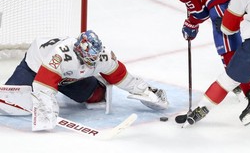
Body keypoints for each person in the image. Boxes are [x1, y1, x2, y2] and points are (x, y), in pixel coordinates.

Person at [153, 0, 250, 122]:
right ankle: (244, 78)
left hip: (221, 4)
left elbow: (200, 12)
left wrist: (190, 25)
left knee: (226, 49)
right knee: (245, 33)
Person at [1, 30, 168, 131]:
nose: (92, 61)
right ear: (78, 49)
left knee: (96, 95)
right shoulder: (61, 56)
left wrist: (145, 91)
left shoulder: (102, 55)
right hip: (36, 66)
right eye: (88, 57)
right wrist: (47, 109)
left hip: (69, 76)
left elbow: (121, 77)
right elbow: (43, 85)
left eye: (94, 57)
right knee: (10, 103)